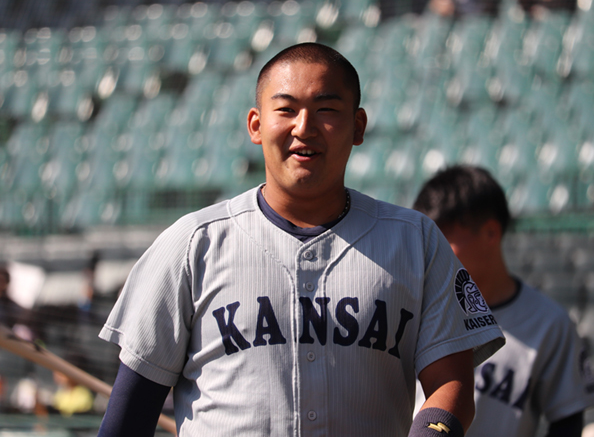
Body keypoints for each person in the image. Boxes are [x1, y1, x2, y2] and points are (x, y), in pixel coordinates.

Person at [97, 43, 504, 436]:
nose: (304, 127)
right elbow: (131, 414)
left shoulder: (416, 241)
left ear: (358, 126)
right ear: (256, 125)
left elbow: (451, 386)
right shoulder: (192, 244)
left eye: (326, 109)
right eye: (286, 110)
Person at [413, 165, 594, 437]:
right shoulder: (414, 308)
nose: (431, 253)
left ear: (490, 233)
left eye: (443, 240)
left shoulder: (550, 323)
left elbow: (567, 420)